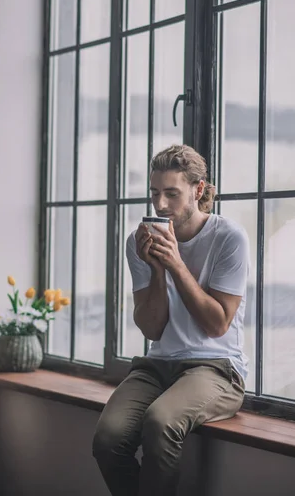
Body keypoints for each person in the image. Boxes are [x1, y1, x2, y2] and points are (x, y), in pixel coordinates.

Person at [93, 144, 249, 496]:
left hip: (217, 368)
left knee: (160, 422)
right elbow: (152, 329)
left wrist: (177, 265)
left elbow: (217, 325)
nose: (161, 205)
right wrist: (157, 269)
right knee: (107, 439)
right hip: (158, 364)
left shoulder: (228, 238)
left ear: (197, 190)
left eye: (172, 194)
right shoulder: (140, 242)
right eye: (155, 193)